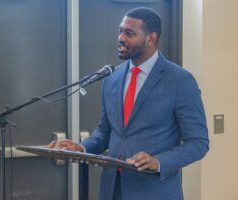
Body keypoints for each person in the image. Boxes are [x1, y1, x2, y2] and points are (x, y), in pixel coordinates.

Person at [48, 7, 209, 200]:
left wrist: (157, 161)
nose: (121, 38)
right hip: (111, 190)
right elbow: (105, 131)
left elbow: (198, 143)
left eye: (129, 33)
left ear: (151, 38)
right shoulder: (112, 77)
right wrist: (81, 148)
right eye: (120, 31)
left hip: (154, 191)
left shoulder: (180, 80)